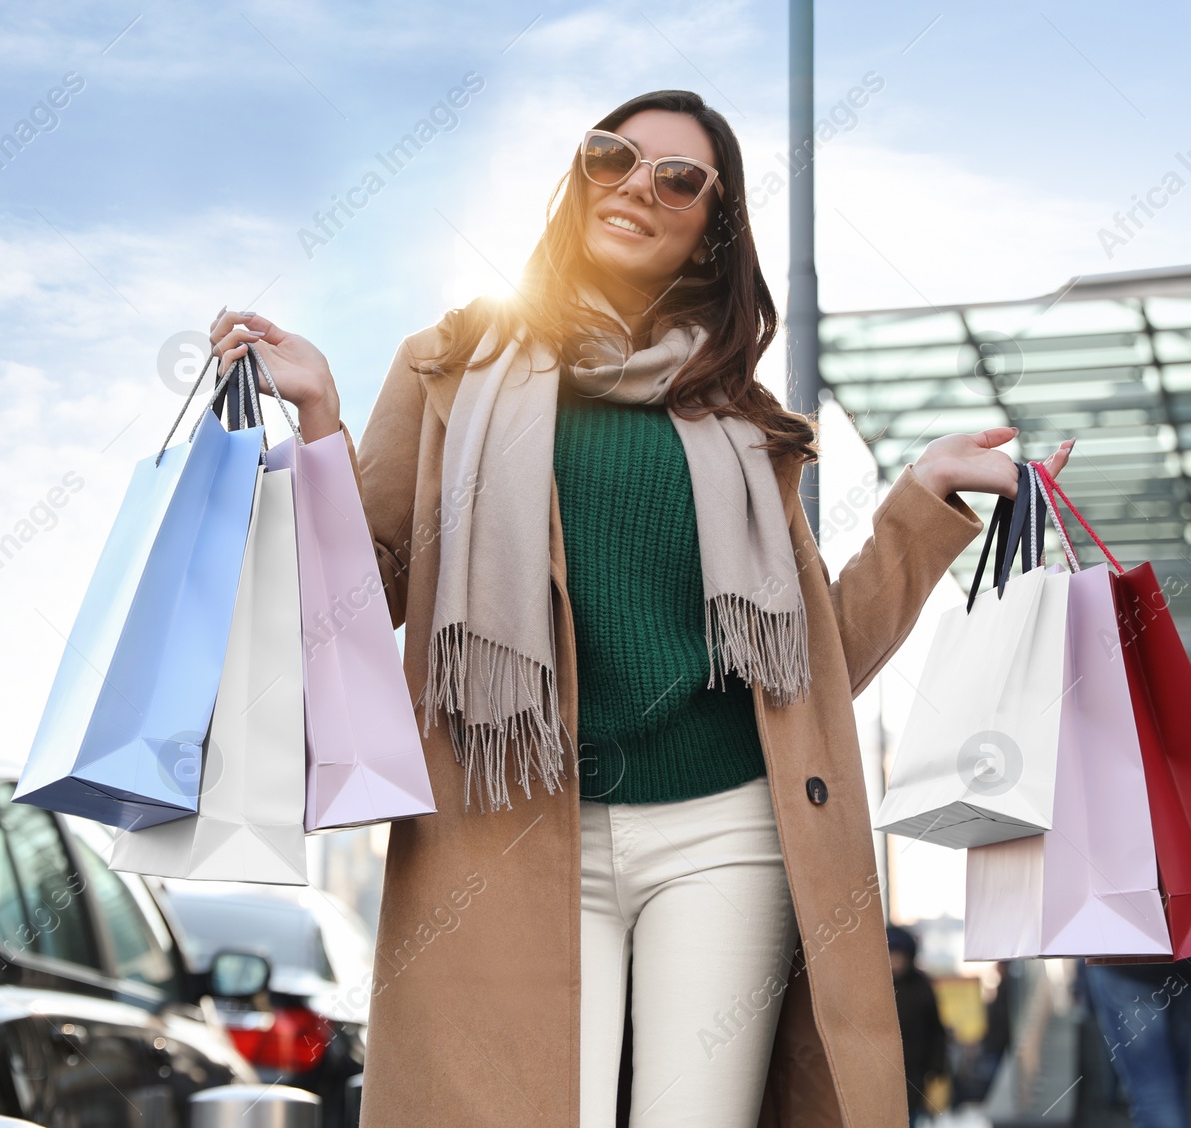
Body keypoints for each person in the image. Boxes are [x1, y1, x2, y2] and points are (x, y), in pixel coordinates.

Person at [208, 89, 1075, 1127]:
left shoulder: (746, 427)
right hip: (511, 828)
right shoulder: (452, 368)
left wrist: (919, 508)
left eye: (677, 178)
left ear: (711, 227)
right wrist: (320, 423)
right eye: (610, 155)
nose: (635, 186)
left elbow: (810, 666)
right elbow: (369, 592)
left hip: (725, 830)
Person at [1080, 958, 1191, 1128]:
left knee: (1153, 1092)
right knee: (1176, 1081)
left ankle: (1111, 1092)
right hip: (1184, 964)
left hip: (1126, 962)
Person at [889, 925, 948, 1125]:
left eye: (899, 956)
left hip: (914, 1073)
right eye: (890, 955)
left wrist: (937, 1067)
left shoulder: (921, 986)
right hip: (883, 1072)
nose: (894, 962)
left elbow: (936, 1030)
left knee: (910, 1119)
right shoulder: (874, 987)